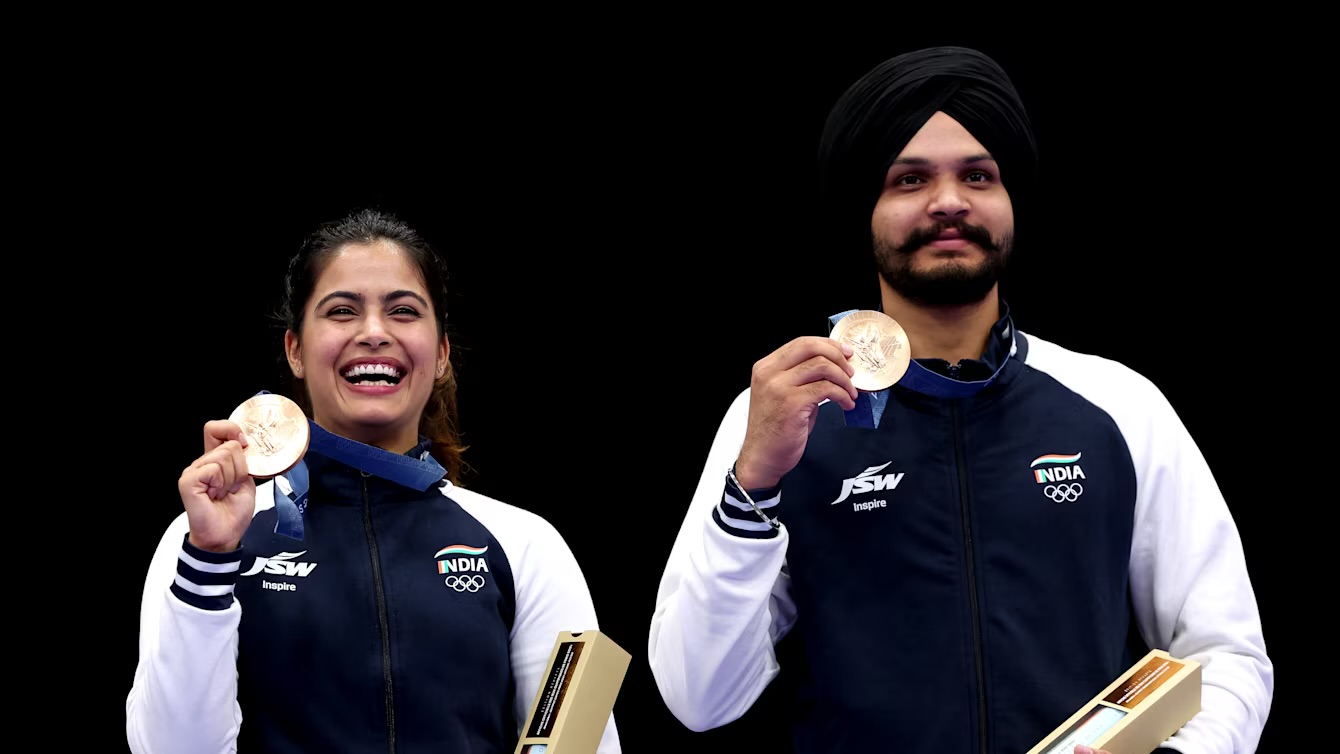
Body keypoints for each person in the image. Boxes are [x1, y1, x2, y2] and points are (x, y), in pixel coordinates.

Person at [647, 45, 1272, 754]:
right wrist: (752, 486)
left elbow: (1225, 653)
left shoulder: (1120, 405)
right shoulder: (779, 417)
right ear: (867, 210)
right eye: (910, 179)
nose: (949, 201)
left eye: (977, 175)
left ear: (1011, 202)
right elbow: (699, 699)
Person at [126, 208, 621, 753]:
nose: (374, 333)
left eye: (404, 311)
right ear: (295, 349)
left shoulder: (530, 546)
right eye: (341, 311)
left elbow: (580, 748)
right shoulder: (202, 542)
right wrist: (211, 558)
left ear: (441, 353)